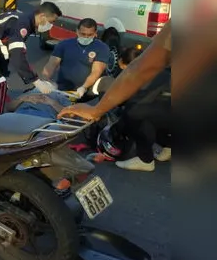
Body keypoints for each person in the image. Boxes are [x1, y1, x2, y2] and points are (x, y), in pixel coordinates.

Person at [59, 21, 173, 170]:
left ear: (120, 63)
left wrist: (94, 110)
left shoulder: (110, 80)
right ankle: (168, 146)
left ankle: (145, 160)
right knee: (152, 112)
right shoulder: (163, 74)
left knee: (135, 113)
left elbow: (140, 69)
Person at [0, 3, 62, 119]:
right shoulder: (23, 24)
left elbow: (5, 49)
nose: (51, 25)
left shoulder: (24, 21)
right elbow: (17, 55)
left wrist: (2, 70)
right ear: (42, 16)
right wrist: (36, 81)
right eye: (51, 21)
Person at [40, 18, 110, 98]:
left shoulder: (102, 48)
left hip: (87, 91)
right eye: (83, 34)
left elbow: (96, 71)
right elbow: (51, 65)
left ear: (95, 33)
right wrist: (45, 81)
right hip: (65, 90)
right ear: (77, 31)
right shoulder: (64, 45)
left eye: (90, 35)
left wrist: (84, 87)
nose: (86, 37)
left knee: (107, 83)